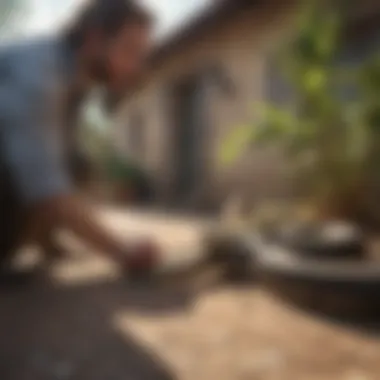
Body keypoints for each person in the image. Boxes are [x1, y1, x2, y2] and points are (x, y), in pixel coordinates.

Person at [0, 0, 160, 277]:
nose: (135, 67)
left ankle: (44, 243)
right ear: (94, 39)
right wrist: (123, 250)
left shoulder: (73, 83)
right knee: (44, 168)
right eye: (130, 51)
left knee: (77, 162)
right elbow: (45, 187)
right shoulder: (38, 78)